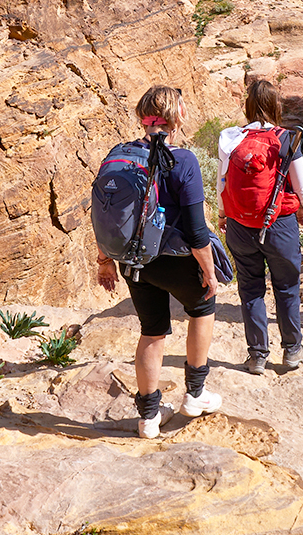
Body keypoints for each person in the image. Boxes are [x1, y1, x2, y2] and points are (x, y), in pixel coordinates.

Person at [95, 85, 221, 438]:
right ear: (177, 116)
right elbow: (197, 233)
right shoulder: (183, 161)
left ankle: (149, 418)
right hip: (177, 261)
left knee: (151, 331)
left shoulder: (120, 156)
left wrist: (104, 260)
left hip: (134, 261)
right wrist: (210, 274)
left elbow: (106, 215)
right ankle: (195, 395)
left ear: (142, 118)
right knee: (202, 310)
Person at [218, 78, 303, 374]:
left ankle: (257, 356)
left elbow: (221, 181)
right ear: (276, 105)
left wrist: (225, 214)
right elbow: (302, 187)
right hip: (279, 224)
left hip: (240, 225)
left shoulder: (231, 138)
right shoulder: (286, 138)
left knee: (250, 289)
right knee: (287, 286)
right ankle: (292, 350)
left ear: (249, 107)